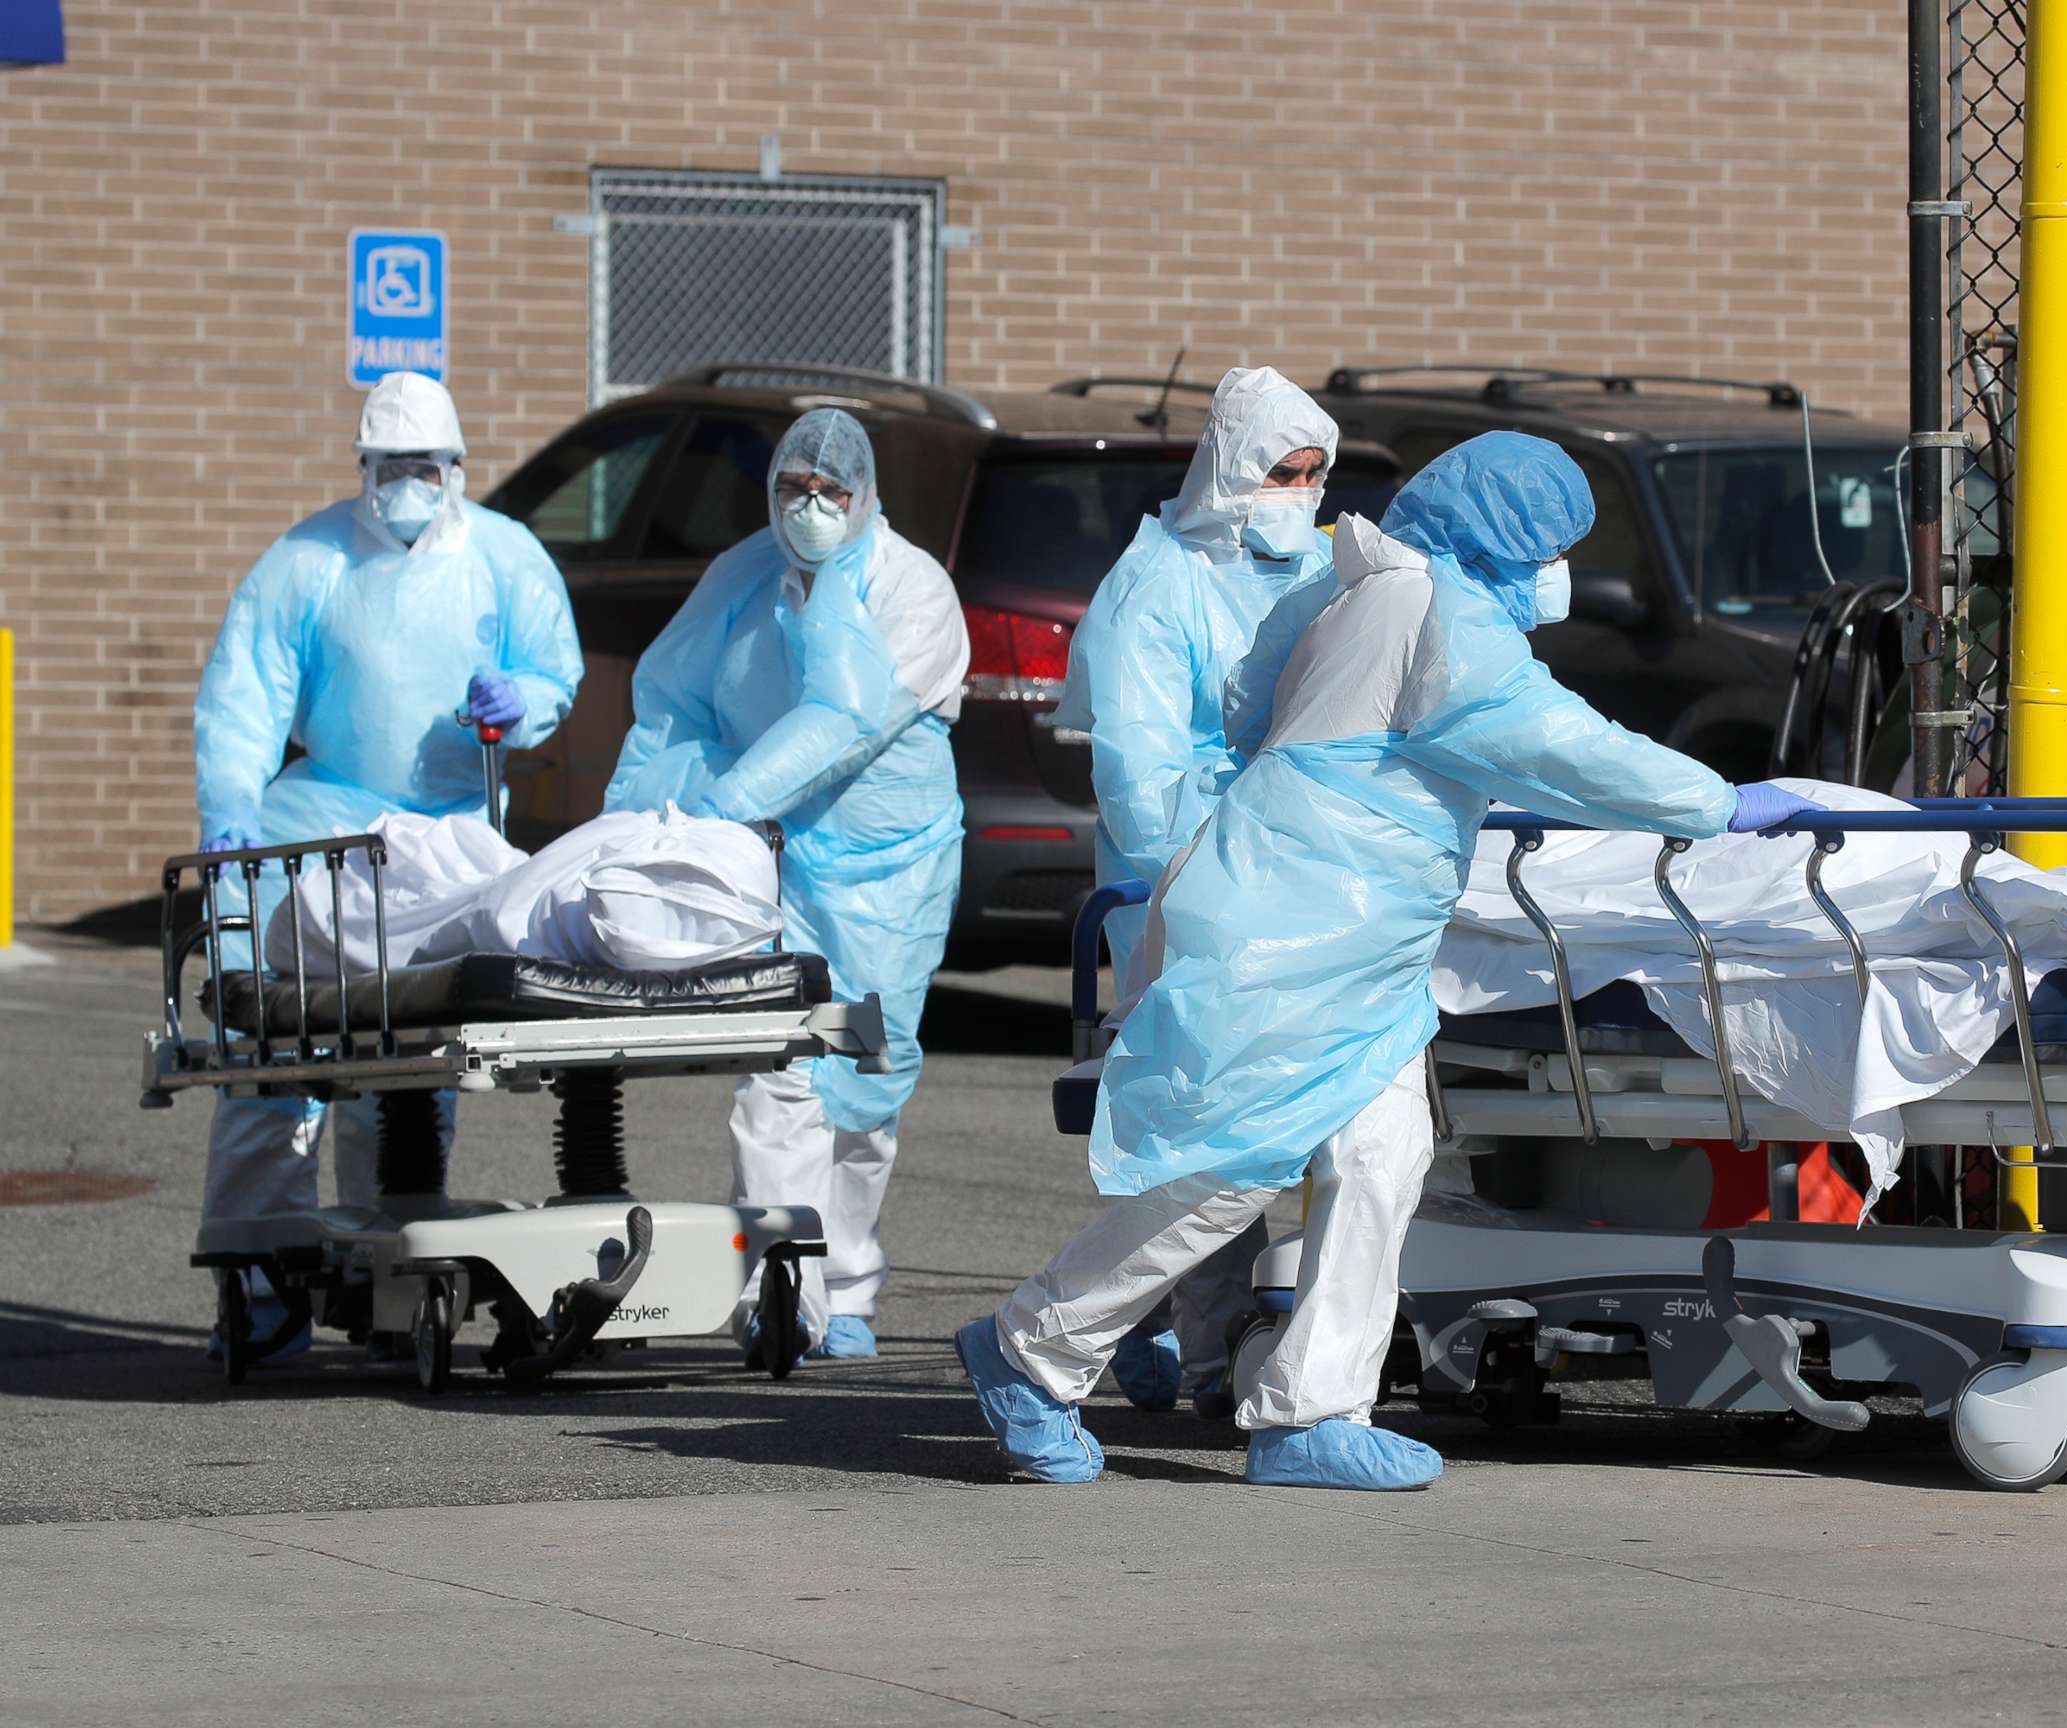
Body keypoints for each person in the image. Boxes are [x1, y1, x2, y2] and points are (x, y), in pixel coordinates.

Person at [957, 431, 1824, 1488]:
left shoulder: (1357, 587)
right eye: (1548, 545)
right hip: (1301, 929)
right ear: (1500, 535)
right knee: (1231, 1173)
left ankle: (1311, 1410)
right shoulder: (1432, 613)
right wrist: (1720, 802)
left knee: (1381, 1155)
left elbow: (1272, 708)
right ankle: (1029, 1351)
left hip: (1348, 938)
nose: (1557, 572)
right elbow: (1555, 741)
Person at [193, 370, 582, 1358]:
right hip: (319, 828)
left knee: (410, 1065)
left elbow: (554, 672)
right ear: (363, 467)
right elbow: (244, 696)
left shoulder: (504, 557)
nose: (407, 482)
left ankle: (385, 1283)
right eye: (390, 466)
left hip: (449, 837)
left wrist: (520, 703)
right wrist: (234, 810)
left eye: (425, 466)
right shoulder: (309, 561)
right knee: (271, 1060)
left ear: (456, 468)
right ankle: (263, 1278)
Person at [605, 408, 968, 1363]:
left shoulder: (914, 591)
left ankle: (848, 1286)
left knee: (869, 1081)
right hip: (767, 864)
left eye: (831, 492)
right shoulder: (742, 578)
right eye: (793, 490)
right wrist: (648, 817)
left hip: (887, 874)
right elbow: (669, 698)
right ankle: (783, 1290)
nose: (810, 508)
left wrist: (723, 804)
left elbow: (846, 724)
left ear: (866, 496)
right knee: (778, 1074)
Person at [1053, 364, 1340, 1415]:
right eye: (1281, 472)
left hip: (1298, 874)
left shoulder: (1317, 568)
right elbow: (1136, 783)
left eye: (1314, 475)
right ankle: (1203, 1352)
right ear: (1229, 469)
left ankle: (1172, 1329)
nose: (1299, 493)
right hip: (1183, 883)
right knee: (1203, 1128)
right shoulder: (1153, 586)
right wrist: (1219, 881)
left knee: (1262, 1127)